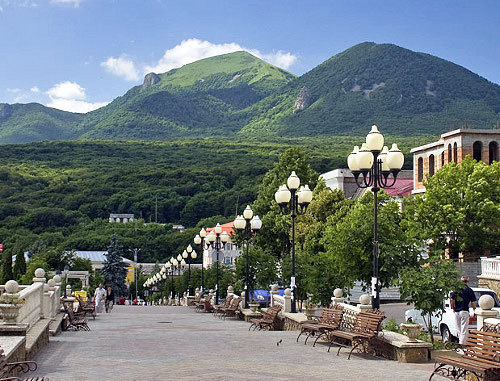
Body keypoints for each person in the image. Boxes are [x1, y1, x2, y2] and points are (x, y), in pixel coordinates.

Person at [450, 275, 477, 345]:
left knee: (458, 328)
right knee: (464, 329)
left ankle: (460, 342)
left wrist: (453, 308)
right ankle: (461, 344)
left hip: (457, 311)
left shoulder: (456, 290)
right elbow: (473, 303)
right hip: (464, 311)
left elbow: (452, 300)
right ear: (468, 282)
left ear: (461, 281)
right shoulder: (469, 290)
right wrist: (475, 310)